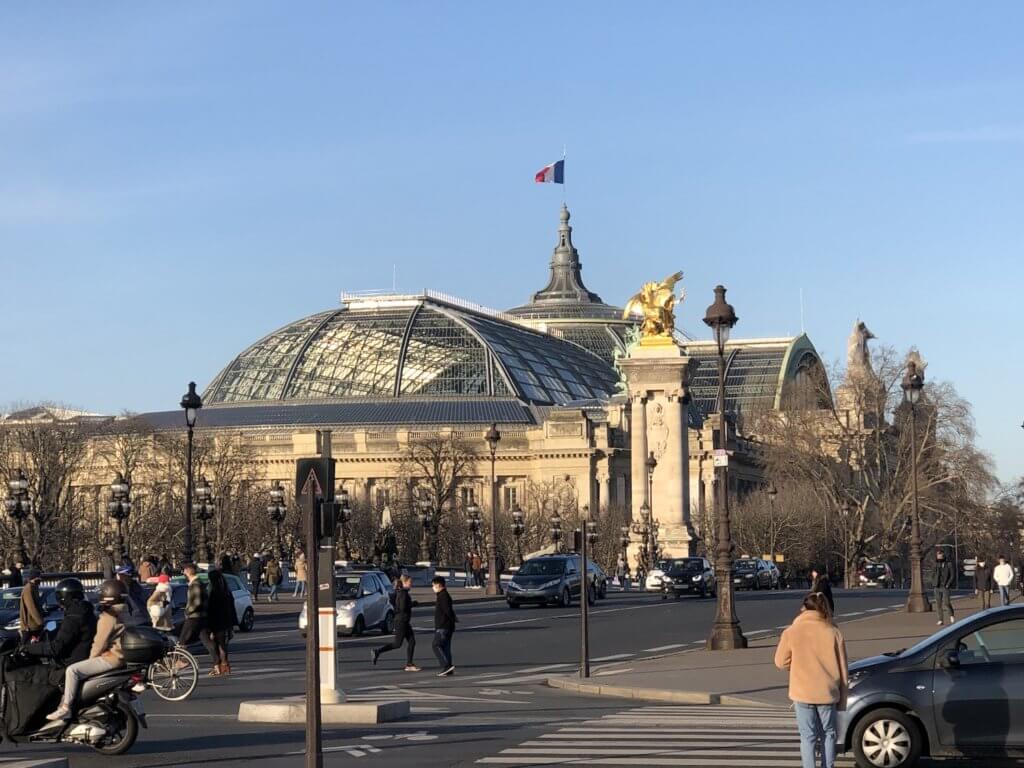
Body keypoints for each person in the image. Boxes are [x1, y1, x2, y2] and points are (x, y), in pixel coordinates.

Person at [774, 592, 848, 768]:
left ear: (804, 609)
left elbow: (780, 662)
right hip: (827, 692)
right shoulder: (833, 632)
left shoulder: (792, 631)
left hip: (802, 692)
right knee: (829, 734)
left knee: (807, 736)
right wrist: (843, 697)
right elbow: (843, 669)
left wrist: (798, 666)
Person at [46, 579, 126, 721]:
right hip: (119, 656)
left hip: (111, 657)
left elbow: (99, 643)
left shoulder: (108, 617)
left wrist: (90, 660)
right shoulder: (121, 612)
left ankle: (65, 708)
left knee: (72, 670)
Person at [23, 578, 96, 667]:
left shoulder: (73, 617)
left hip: (71, 662)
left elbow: (56, 648)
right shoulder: (85, 612)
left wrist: (28, 648)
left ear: (64, 597)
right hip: (81, 658)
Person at [372, 574, 419, 671]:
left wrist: (410, 604)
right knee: (397, 644)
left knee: (412, 642)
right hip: (401, 621)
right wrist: (412, 604)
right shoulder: (403, 593)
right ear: (405, 582)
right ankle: (378, 651)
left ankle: (409, 664)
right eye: (410, 582)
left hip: (403, 621)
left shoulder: (402, 592)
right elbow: (402, 608)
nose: (411, 584)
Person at [178, 563, 216, 668]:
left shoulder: (195, 584)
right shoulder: (198, 583)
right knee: (206, 640)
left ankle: (184, 660)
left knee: (182, 639)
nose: (184, 573)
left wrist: (188, 611)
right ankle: (218, 661)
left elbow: (196, 601)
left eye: (185, 570)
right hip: (201, 616)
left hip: (194, 616)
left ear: (189, 571)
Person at [206, 568, 238, 676]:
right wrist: (233, 623)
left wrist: (208, 626)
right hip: (226, 621)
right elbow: (232, 607)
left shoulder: (212, 591)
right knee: (223, 645)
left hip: (216, 621)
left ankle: (220, 666)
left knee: (217, 644)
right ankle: (225, 665)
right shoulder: (226, 590)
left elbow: (210, 608)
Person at [432, 576, 456, 676]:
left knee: (436, 645)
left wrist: (452, 619)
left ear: (438, 585)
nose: (432, 587)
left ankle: (446, 666)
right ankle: (449, 668)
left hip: (443, 626)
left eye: (433, 585)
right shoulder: (443, 595)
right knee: (446, 647)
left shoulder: (443, 596)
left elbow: (447, 611)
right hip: (447, 626)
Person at [18, 571, 44, 641]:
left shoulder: (34, 587)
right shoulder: (28, 588)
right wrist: (40, 621)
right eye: (39, 578)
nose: (40, 580)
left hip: (34, 625)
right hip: (29, 626)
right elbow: (31, 607)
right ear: (34, 578)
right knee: (25, 646)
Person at [932, 550, 955, 625]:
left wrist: (948, 584)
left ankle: (951, 614)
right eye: (938, 555)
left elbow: (952, 575)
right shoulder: (935, 564)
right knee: (938, 604)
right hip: (937, 586)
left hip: (945, 586)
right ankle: (940, 619)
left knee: (946, 602)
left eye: (940, 555)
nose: (939, 556)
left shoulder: (948, 564)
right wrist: (934, 582)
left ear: (943, 555)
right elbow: (933, 573)